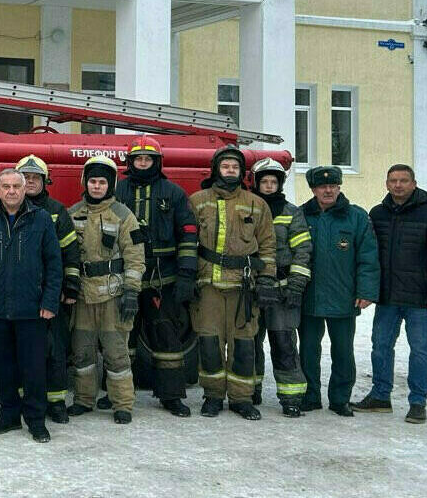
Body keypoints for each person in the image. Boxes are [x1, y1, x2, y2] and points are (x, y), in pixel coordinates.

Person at [0, 168, 62, 443]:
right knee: (3, 367)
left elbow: (54, 263)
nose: (11, 191)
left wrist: (49, 301)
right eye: (5, 186)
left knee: (34, 368)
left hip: (32, 308)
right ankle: (8, 415)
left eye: (16, 186)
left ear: (24, 189)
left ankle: (35, 419)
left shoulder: (41, 219)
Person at [356, 164, 427, 424]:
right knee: (380, 347)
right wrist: (367, 290)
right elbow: (367, 255)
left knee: (420, 350)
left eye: (403, 180)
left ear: (414, 183)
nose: (398, 185)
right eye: (393, 181)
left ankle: (418, 401)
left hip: (420, 299)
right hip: (387, 297)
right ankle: (380, 395)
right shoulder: (377, 214)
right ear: (387, 184)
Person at [188, 146, 277, 419]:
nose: (230, 171)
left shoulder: (256, 203)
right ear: (216, 169)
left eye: (234, 167)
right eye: (225, 166)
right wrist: (187, 278)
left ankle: (241, 398)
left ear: (242, 172)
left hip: (244, 288)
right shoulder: (197, 201)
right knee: (209, 344)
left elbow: (268, 246)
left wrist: (267, 281)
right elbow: (188, 243)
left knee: (243, 346)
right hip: (208, 286)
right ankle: (213, 396)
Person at [113, 136, 199, 417]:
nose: (142, 163)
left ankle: (171, 395)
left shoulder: (173, 193)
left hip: (164, 279)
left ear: (157, 162)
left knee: (166, 339)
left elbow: (187, 234)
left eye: (148, 159)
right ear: (130, 162)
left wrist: (186, 275)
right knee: (124, 338)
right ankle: (120, 393)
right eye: (138, 159)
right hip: (126, 278)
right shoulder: (118, 191)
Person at [67, 156, 145, 423]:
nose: (97, 186)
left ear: (110, 184)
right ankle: (83, 399)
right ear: (85, 183)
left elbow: (135, 257)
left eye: (102, 182)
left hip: (113, 295)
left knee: (116, 353)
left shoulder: (124, 216)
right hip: (82, 297)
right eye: (92, 181)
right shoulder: (73, 213)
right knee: (82, 352)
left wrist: (132, 292)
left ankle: (122, 403)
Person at [298, 165, 379, 417]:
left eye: (333, 185)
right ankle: (310, 396)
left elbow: (368, 257)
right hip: (308, 297)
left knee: (343, 351)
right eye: (322, 186)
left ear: (339, 187)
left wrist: (366, 291)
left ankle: (340, 398)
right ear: (313, 189)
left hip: (343, 297)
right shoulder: (301, 216)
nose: (328, 190)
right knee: (309, 350)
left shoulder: (356, 217)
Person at [14, 154, 81, 424]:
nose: (30, 182)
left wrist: (71, 287)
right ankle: (26, 399)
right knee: (22, 351)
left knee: (55, 351)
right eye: (25, 177)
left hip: (50, 293)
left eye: (35, 178)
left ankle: (56, 403)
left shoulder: (56, 211)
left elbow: (70, 253)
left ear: (45, 181)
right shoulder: (9, 208)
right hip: (19, 295)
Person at [249, 158, 312, 418]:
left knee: (284, 343)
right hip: (251, 289)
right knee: (249, 344)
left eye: (273, 181)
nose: (269, 185)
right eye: (264, 181)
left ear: (280, 183)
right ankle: (249, 391)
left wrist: (296, 285)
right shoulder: (246, 208)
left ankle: (291, 397)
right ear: (256, 183)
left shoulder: (291, 212)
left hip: (282, 291)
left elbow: (303, 251)